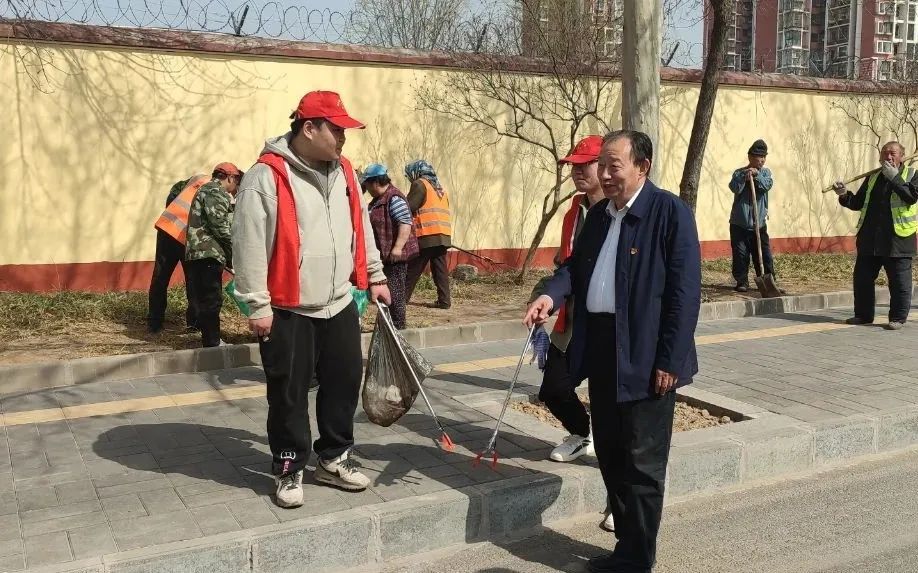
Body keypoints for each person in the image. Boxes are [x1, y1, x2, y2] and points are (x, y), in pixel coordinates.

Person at [525, 130, 701, 573]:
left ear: (642, 167)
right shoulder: (601, 216)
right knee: (610, 450)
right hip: (603, 348)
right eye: (601, 165)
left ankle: (636, 559)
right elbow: (573, 269)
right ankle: (627, 547)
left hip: (647, 353)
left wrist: (670, 360)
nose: (604, 174)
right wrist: (551, 295)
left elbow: (684, 295)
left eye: (613, 165)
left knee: (642, 461)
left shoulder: (669, 213)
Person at [231, 90, 391, 509]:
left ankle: (333, 457)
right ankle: (289, 465)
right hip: (288, 307)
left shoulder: (346, 172)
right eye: (336, 129)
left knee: (343, 382)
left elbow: (360, 228)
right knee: (288, 391)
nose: (343, 137)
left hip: (339, 301)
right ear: (309, 128)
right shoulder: (266, 176)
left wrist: (375, 275)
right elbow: (248, 244)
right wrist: (256, 305)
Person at [530, 135, 604, 464]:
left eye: (585, 164)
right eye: (574, 165)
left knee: (609, 395)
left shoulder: (619, 211)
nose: (577, 171)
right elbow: (567, 265)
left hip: (605, 321)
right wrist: (544, 297)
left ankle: (611, 450)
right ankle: (582, 433)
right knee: (554, 389)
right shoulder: (574, 211)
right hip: (572, 319)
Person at [833, 141, 918, 330]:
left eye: (893, 153)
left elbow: (911, 197)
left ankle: (897, 318)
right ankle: (863, 315)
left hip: (898, 239)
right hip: (870, 238)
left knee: (899, 282)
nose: (888, 157)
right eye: (885, 153)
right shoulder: (872, 177)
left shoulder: (912, 175)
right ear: (880, 157)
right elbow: (857, 203)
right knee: (862, 279)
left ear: (902, 156)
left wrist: (895, 178)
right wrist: (844, 194)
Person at [184, 163, 243, 347]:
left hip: (198, 253)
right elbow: (220, 227)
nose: (235, 188)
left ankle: (208, 340)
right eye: (236, 182)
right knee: (212, 299)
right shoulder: (215, 192)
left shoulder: (205, 190)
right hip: (209, 253)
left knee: (204, 298)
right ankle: (213, 343)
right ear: (230, 177)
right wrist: (235, 253)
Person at [147, 173, 212, 333]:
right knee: (193, 279)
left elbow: (172, 199)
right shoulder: (217, 191)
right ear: (232, 179)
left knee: (160, 278)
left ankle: (154, 323)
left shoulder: (192, 182)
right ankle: (194, 323)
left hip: (168, 229)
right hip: (185, 237)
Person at [362, 163, 419, 329]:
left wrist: (397, 248)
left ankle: (398, 328)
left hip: (395, 258)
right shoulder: (378, 200)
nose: (367, 189)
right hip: (384, 257)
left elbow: (405, 222)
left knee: (395, 295)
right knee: (386, 294)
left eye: (367, 185)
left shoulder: (394, 198)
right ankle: (387, 327)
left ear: (375, 182)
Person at [728, 139, 780, 293]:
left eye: (764, 157)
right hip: (739, 224)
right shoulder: (739, 173)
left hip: (759, 224)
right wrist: (744, 177)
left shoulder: (765, 173)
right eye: (759, 157)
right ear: (750, 157)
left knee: (763, 254)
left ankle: (768, 281)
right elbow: (734, 188)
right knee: (741, 254)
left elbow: (766, 185)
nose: (762, 160)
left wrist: (757, 176)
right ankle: (742, 281)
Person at [404, 160, 452, 309]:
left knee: (413, 268)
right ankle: (444, 301)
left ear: (416, 172)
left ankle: (400, 299)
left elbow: (409, 207)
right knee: (440, 270)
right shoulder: (439, 188)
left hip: (426, 235)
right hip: (442, 235)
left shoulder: (420, 184)